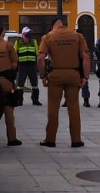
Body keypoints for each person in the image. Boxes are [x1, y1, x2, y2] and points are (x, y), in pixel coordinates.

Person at [37, 17, 90, 148]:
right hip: (73, 74)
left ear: (52, 26)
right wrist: (86, 77)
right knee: (74, 107)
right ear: (63, 25)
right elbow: (86, 57)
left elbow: (41, 58)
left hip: (55, 75)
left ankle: (50, 139)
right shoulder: (78, 36)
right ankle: (76, 140)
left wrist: (43, 75)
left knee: (53, 108)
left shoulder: (48, 37)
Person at [14, 27, 41, 106]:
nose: (29, 35)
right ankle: (19, 100)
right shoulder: (18, 42)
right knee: (20, 84)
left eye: (30, 33)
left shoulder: (34, 41)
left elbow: (37, 52)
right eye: (27, 33)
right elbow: (15, 54)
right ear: (23, 34)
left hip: (32, 65)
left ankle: (35, 100)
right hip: (22, 65)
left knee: (34, 83)